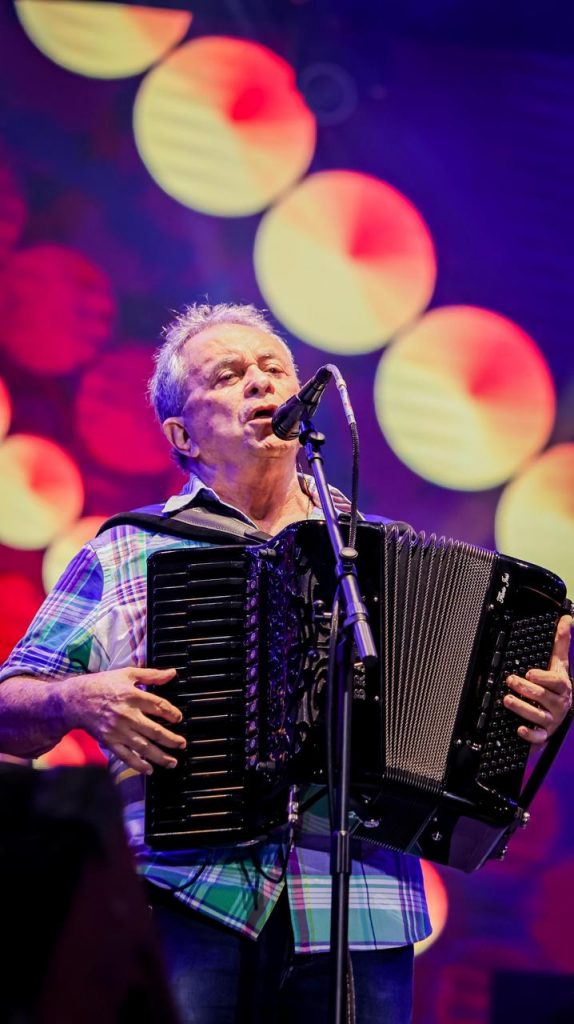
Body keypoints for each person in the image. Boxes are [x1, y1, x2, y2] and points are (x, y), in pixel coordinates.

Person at [0, 303, 571, 1024]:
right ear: (182, 436)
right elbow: (8, 712)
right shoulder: (131, 551)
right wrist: (79, 698)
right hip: (189, 897)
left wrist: (532, 710)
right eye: (228, 375)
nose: (260, 382)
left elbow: (468, 742)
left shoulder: (375, 558)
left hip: (362, 910)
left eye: (274, 369)